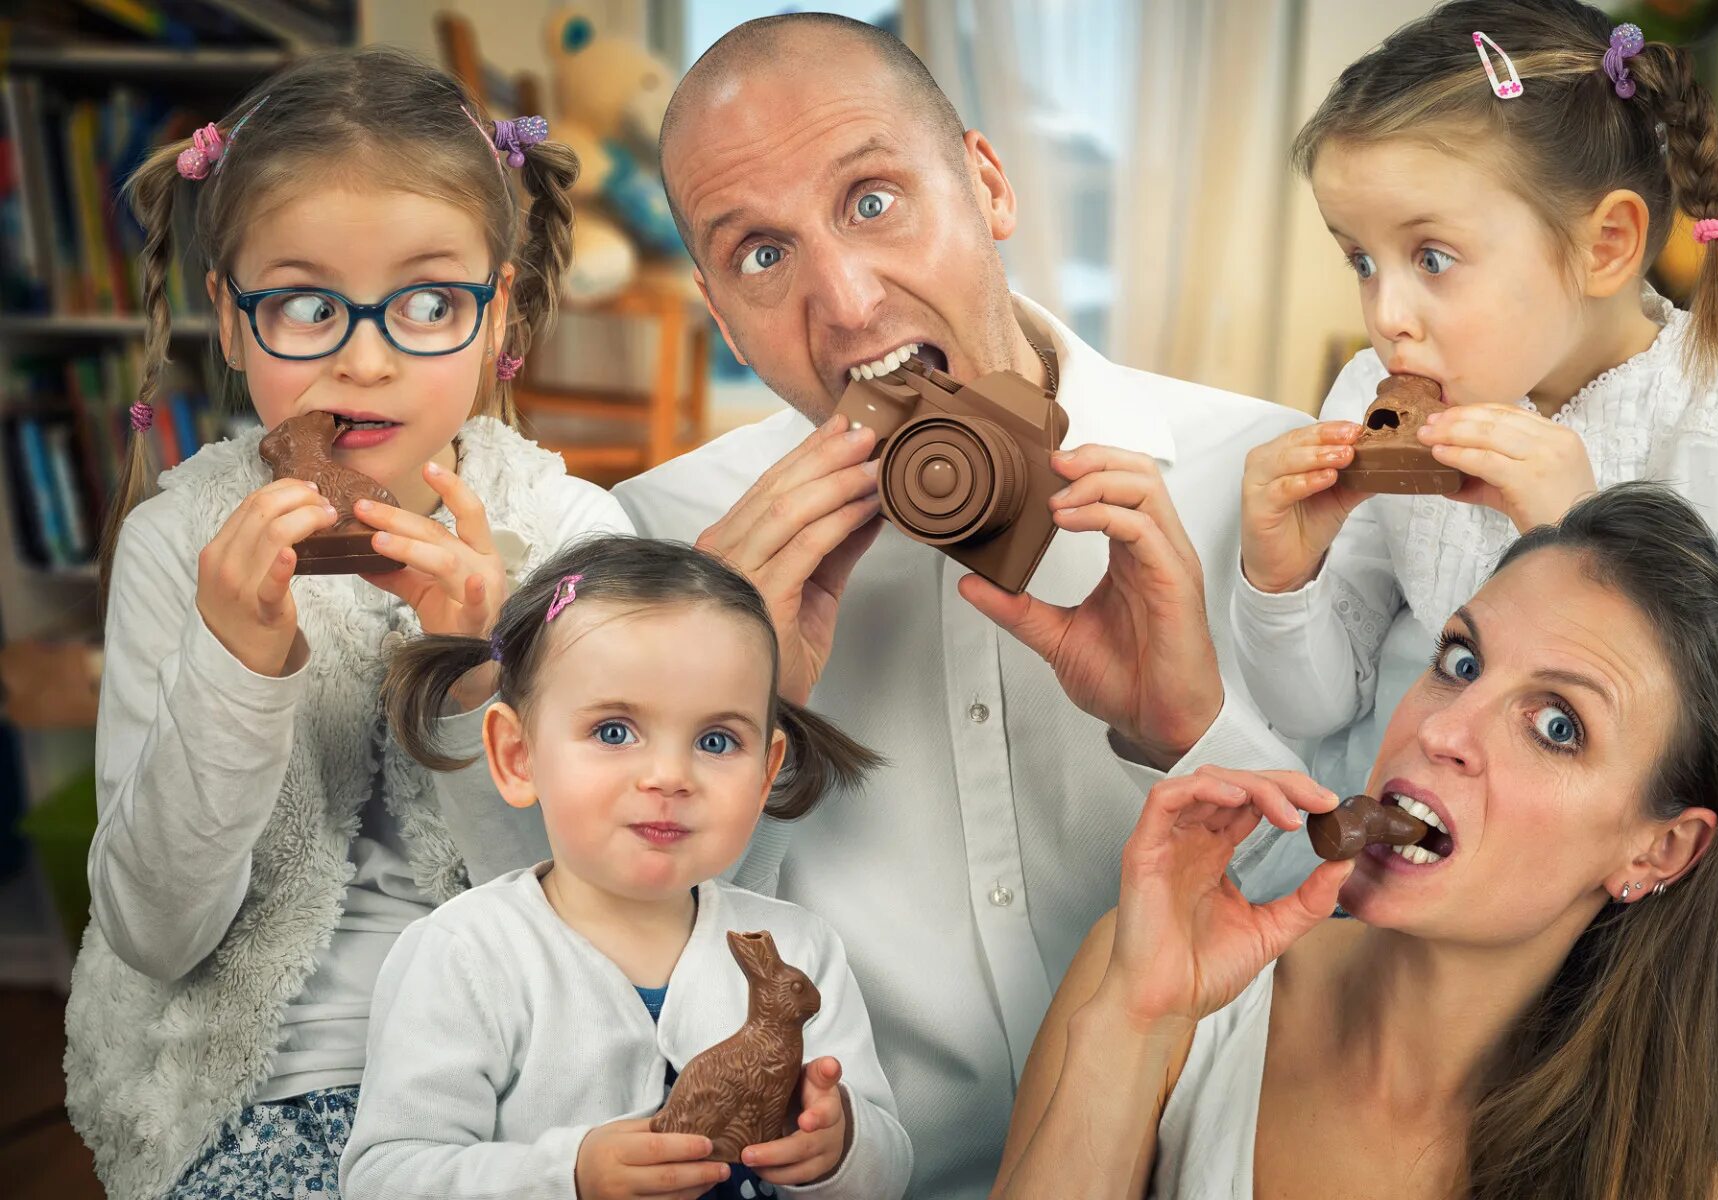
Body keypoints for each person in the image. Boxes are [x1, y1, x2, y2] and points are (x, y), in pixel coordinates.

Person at [438, 14, 1315, 1197]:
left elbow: (1370, 944)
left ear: (988, 185)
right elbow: (548, 955)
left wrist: (1192, 733)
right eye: (760, 255)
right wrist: (703, 700)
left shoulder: (1264, 485)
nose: (847, 305)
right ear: (714, 302)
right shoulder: (648, 542)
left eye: (873, 200)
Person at [64, 48, 631, 1200]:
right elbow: (154, 933)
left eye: (427, 303)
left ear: (497, 315)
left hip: (526, 1081)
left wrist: (475, 686)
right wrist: (233, 667)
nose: (363, 358)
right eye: (308, 304)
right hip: (259, 1086)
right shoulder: (183, 546)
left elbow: (606, 916)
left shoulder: (572, 536)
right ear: (229, 320)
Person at [1230, 0, 1718, 927]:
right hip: (1410, 891)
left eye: (1431, 255)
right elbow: (1317, 704)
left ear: (1604, 245)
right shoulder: (1367, 394)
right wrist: (1283, 575)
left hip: (1623, 935)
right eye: (1362, 261)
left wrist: (1592, 542)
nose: (1389, 316)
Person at [997, 483, 1718, 1199]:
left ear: (1658, 851)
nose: (1441, 729)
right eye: (1460, 663)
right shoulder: (1147, 984)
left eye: (1557, 726)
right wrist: (1134, 1027)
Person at [342, 537, 911, 1200]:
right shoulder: (465, 954)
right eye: (614, 731)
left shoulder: (800, 952)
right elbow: (386, 1179)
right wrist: (567, 1176)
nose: (670, 776)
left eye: (716, 741)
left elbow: (890, 1171)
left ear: (765, 774)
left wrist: (840, 1146)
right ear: (517, 755)